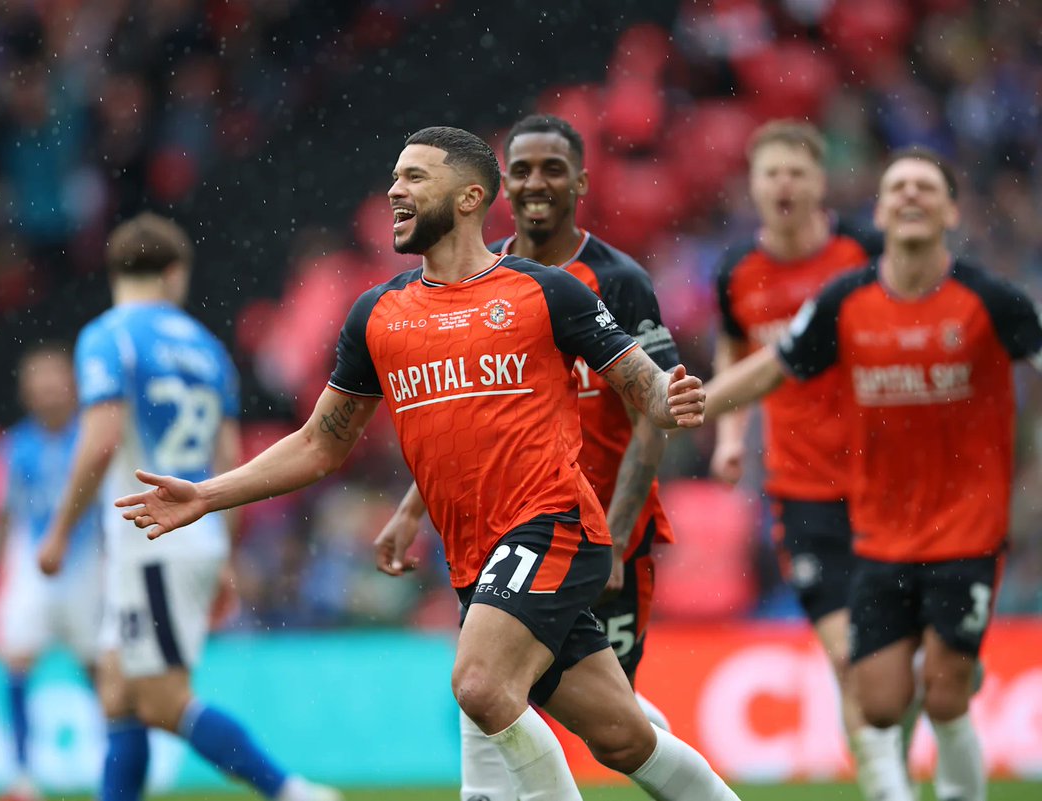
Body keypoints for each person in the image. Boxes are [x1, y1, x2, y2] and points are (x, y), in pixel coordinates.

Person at [116, 127, 737, 801]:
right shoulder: (377, 314)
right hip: (473, 554)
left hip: (551, 526)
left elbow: (641, 381)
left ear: (471, 196)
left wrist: (671, 397)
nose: (394, 189)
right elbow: (320, 442)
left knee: (478, 685)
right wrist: (209, 494)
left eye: (414, 177)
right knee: (624, 737)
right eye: (394, 177)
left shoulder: (545, 292)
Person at [704, 146, 1042, 801]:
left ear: (950, 209)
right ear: (881, 211)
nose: (911, 195)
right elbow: (773, 364)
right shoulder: (846, 300)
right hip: (878, 527)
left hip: (967, 524)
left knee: (944, 697)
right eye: (898, 187)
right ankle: (929, 696)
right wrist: (696, 402)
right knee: (882, 701)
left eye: (926, 186)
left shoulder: (990, 297)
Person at [375, 114, 675, 801]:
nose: (537, 183)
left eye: (553, 168)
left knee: (612, 720)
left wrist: (621, 527)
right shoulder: (483, 279)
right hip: (497, 524)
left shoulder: (615, 280)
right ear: (499, 185)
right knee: (502, 693)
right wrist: (411, 508)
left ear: (582, 181)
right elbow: (467, 412)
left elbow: (652, 410)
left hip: (587, 526)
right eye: (524, 170)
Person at [35, 213, 340, 801]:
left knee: (161, 700)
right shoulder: (206, 348)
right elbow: (229, 460)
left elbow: (100, 441)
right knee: (118, 695)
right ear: (175, 274)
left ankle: (291, 791)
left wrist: (58, 531)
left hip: (150, 537)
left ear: (115, 270)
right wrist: (223, 551)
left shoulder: (109, 336)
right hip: (190, 532)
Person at [710, 120, 892, 791]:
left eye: (796, 172)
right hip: (803, 484)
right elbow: (734, 353)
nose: (784, 184)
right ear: (754, 186)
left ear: (820, 182)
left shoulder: (865, 253)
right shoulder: (737, 271)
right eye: (771, 173)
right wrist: (731, 439)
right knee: (849, 658)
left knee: (899, 657)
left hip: (888, 478)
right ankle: (885, 785)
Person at [0, 344, 103, 801]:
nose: (47, 391)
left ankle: (109, 768)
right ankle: (21, 776)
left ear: (71, 386)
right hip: (33, 561)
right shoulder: (16, 445)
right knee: (15, 660)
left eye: (53, 381)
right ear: (26, 393)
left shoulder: (94, 436)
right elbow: (4, 512)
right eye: (37, 383)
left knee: (97, 667)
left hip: (86, 562)